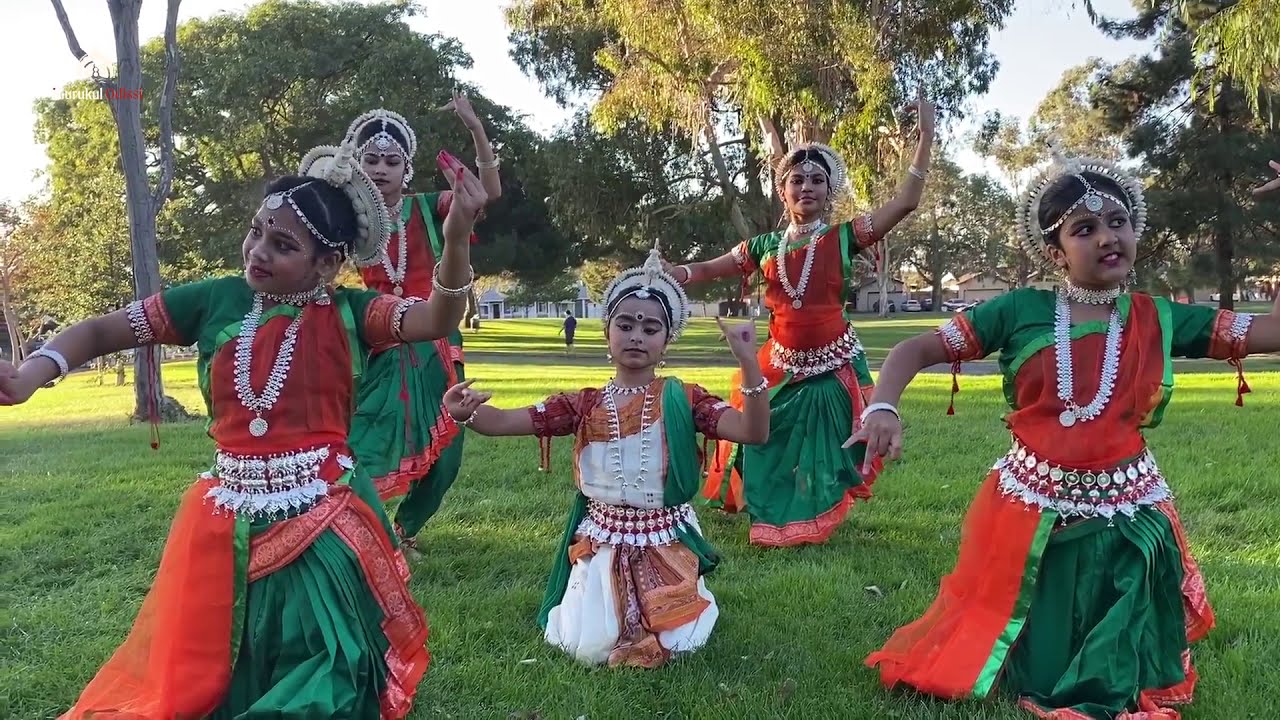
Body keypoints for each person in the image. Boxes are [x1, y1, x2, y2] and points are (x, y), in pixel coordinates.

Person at [0, 142, 487, 718]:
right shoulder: (217, 299)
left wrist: (456, 238)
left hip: (321, 510)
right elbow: (103, 331)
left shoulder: (354, 312)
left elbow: (435, 318)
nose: (258, 251)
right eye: (256, 232)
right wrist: (32, 373)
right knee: (215, 665)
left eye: (283, 245)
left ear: (327, 263)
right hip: (226, 513)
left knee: (329, 663)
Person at [857, 151, 1280, 718]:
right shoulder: (1020, 310)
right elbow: (915, 349)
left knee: (1114, 663)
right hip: (1030, 510)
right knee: (1028, 660)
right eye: (1084, 229)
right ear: (1056, 252)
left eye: (1118, 222)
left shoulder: (1160, 316)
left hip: (1127, 511)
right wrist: (883, 405)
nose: (1107, 237)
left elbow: (1273, 332)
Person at [441, 248, 770, 667]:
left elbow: (753, 432)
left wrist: (748, 363)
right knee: (589, 644)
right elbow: (504, 421)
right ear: (607, 333)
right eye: (626, 325)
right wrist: (465, 413)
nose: (637, 336)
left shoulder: (685, 399)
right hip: (603, 542)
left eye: (650, 328)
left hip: (663, 539)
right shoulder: (584, 404)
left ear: (666, 340)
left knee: (680, 638)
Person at [669, 96, 935, 546]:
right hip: (779, 363)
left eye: (817, 180)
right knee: (764, 437)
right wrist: (677, 272)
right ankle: (768, 509)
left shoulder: (845, 237)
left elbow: (906, 202)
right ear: (783, 191)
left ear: (829, 192)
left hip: (833, 363)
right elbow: (710, 268)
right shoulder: (763, 246)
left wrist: (925, 137)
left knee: (826, 448)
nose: (806, 187)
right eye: (797, 180)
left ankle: (812, 516)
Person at [343, 97, 502, 554]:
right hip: (381, 337)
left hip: (437, 338)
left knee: (447, 449)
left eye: (391, 161)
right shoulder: (350, 216)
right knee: (371, 438)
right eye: (371, 160)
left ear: (406, 169)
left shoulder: (429, 207)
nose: (380, 169)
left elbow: (486, 193)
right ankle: (353, 525)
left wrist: (476, 129)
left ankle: (403, 530)